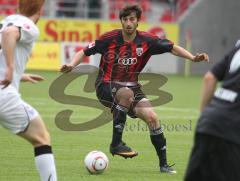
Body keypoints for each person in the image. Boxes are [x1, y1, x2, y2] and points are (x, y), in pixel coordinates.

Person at [60, 4, 209, 174]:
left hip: (132, 87)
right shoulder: (108, 38)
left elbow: (172, 48)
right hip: (106, 85)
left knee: (152, 117)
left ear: (138, 21)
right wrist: (71, 65)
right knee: (126, 94)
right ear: (121, 21)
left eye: (132, 19)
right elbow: (84, 51)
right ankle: (116, 144)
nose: (128, 23)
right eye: (125, 19)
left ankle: (164, 165)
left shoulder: (147, 40)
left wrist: (192, 57)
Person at [0, 0, 57, 180]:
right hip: (4, 96)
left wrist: (19, 75)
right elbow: (10, 34)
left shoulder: (5, 21)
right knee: (41, 138)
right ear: (40, 11)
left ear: (18, 6)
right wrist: (10, 68)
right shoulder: (28, 26)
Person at [184, 42, 240, 181]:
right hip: (231, 129)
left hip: (207, 123)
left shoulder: (237, 48)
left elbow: (209, 78)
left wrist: (204, 115)